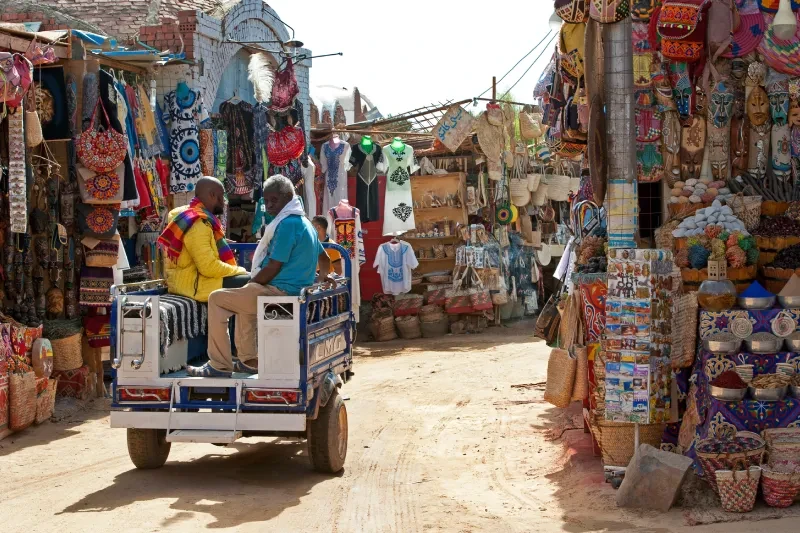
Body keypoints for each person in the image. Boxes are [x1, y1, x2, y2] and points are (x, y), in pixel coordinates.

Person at [189, 175, 333, 377]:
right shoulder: (305, 223)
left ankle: (219, 365)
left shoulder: (288, 224)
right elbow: (325, 259)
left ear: (288, 197)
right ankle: (249, 361)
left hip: (280, 294)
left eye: (274, 200)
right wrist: (319, 280)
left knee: (217, 300)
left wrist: (252, 281)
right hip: (292, 292)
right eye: (267, 201)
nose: (270, 205)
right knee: (244, 298)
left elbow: (273, 267)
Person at [158, 177, 248, 303]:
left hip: (183, 282)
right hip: (195, 286)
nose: (224, 202)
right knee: (252, 282)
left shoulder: (187, 214)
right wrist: (241, 270)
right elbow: (208, 267)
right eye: (221, 197)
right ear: (212, 195)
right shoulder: (197, 222)